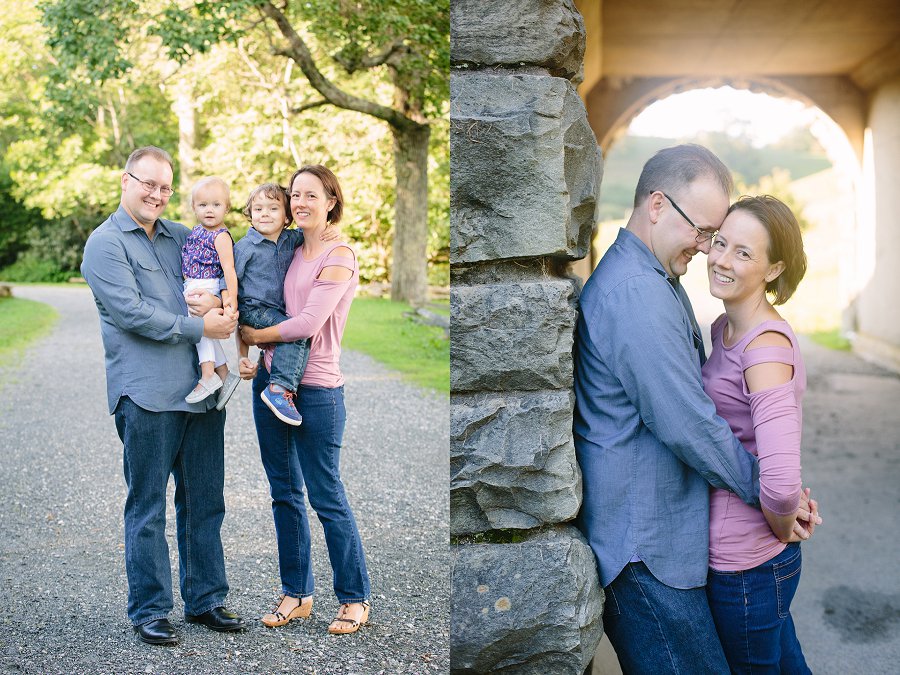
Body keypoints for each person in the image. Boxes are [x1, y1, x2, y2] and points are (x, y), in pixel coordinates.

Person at [572, 144, 817, 673]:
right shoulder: (637, 291)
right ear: (657, 205)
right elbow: (689, 425)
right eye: (706, 233)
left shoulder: (656, 278)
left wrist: (778, 493)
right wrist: (776, 498)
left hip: (664, 540)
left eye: (721, 238)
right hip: (644, 547)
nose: (709, 250)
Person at [81, 146, 245, 646]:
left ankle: (205, 600)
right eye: (147, 183)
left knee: (204, 503)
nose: (156, 194)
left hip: (201, 393)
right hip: (147, 395)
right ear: (125, 180)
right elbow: (132, 313)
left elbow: (222, 273)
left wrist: (237, 327)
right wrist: (201, 324)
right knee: (148, 506)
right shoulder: (104, 245)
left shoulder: (183, 236)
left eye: (165, 187)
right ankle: (150, 609)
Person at [239, 164, 371, 635]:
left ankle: (355, 598)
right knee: (284, 494)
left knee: (326, 495)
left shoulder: (340, 254)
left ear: (331, 200)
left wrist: (253, 334)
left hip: (316, 390)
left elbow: (308, 323)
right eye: (295, 194)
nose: (300, 202)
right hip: (270, 385)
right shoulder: (290, 248)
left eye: (311, 195)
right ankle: (297, 594)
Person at [702, 195, 813, 672]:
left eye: (744, 252)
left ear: (773, 270)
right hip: (752, 560)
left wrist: (784, 524)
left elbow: (783, 483)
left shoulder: (765, 349)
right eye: (720, 242)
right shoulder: (725, 326)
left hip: (746, 566)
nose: (722, 259)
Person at [232, 183, 311, 426]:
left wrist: (331, 231)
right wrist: (241, 350)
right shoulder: (245, 248)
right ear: (250, 214)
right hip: (254, 310)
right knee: (295, 331)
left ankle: (283, 387)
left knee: (296, 332)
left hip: (276, 311)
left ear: (287, 216)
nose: (264, 213)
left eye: (273, 208)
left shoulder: (292, 239)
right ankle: (278, 389)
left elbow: (313, 233)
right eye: (258, 209)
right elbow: (231, 284)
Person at [181, 176, 240, 406]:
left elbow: (229, 270)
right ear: (194, 207)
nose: (209, 210)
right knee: (203, 330)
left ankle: (208, 375)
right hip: (194, 283)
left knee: (198, 326)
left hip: (206, 284)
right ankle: (224, 373)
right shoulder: (196, 230)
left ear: (226, 207)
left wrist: (231, 299)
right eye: (203, 205)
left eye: (216, 205)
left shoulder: (220, 236)